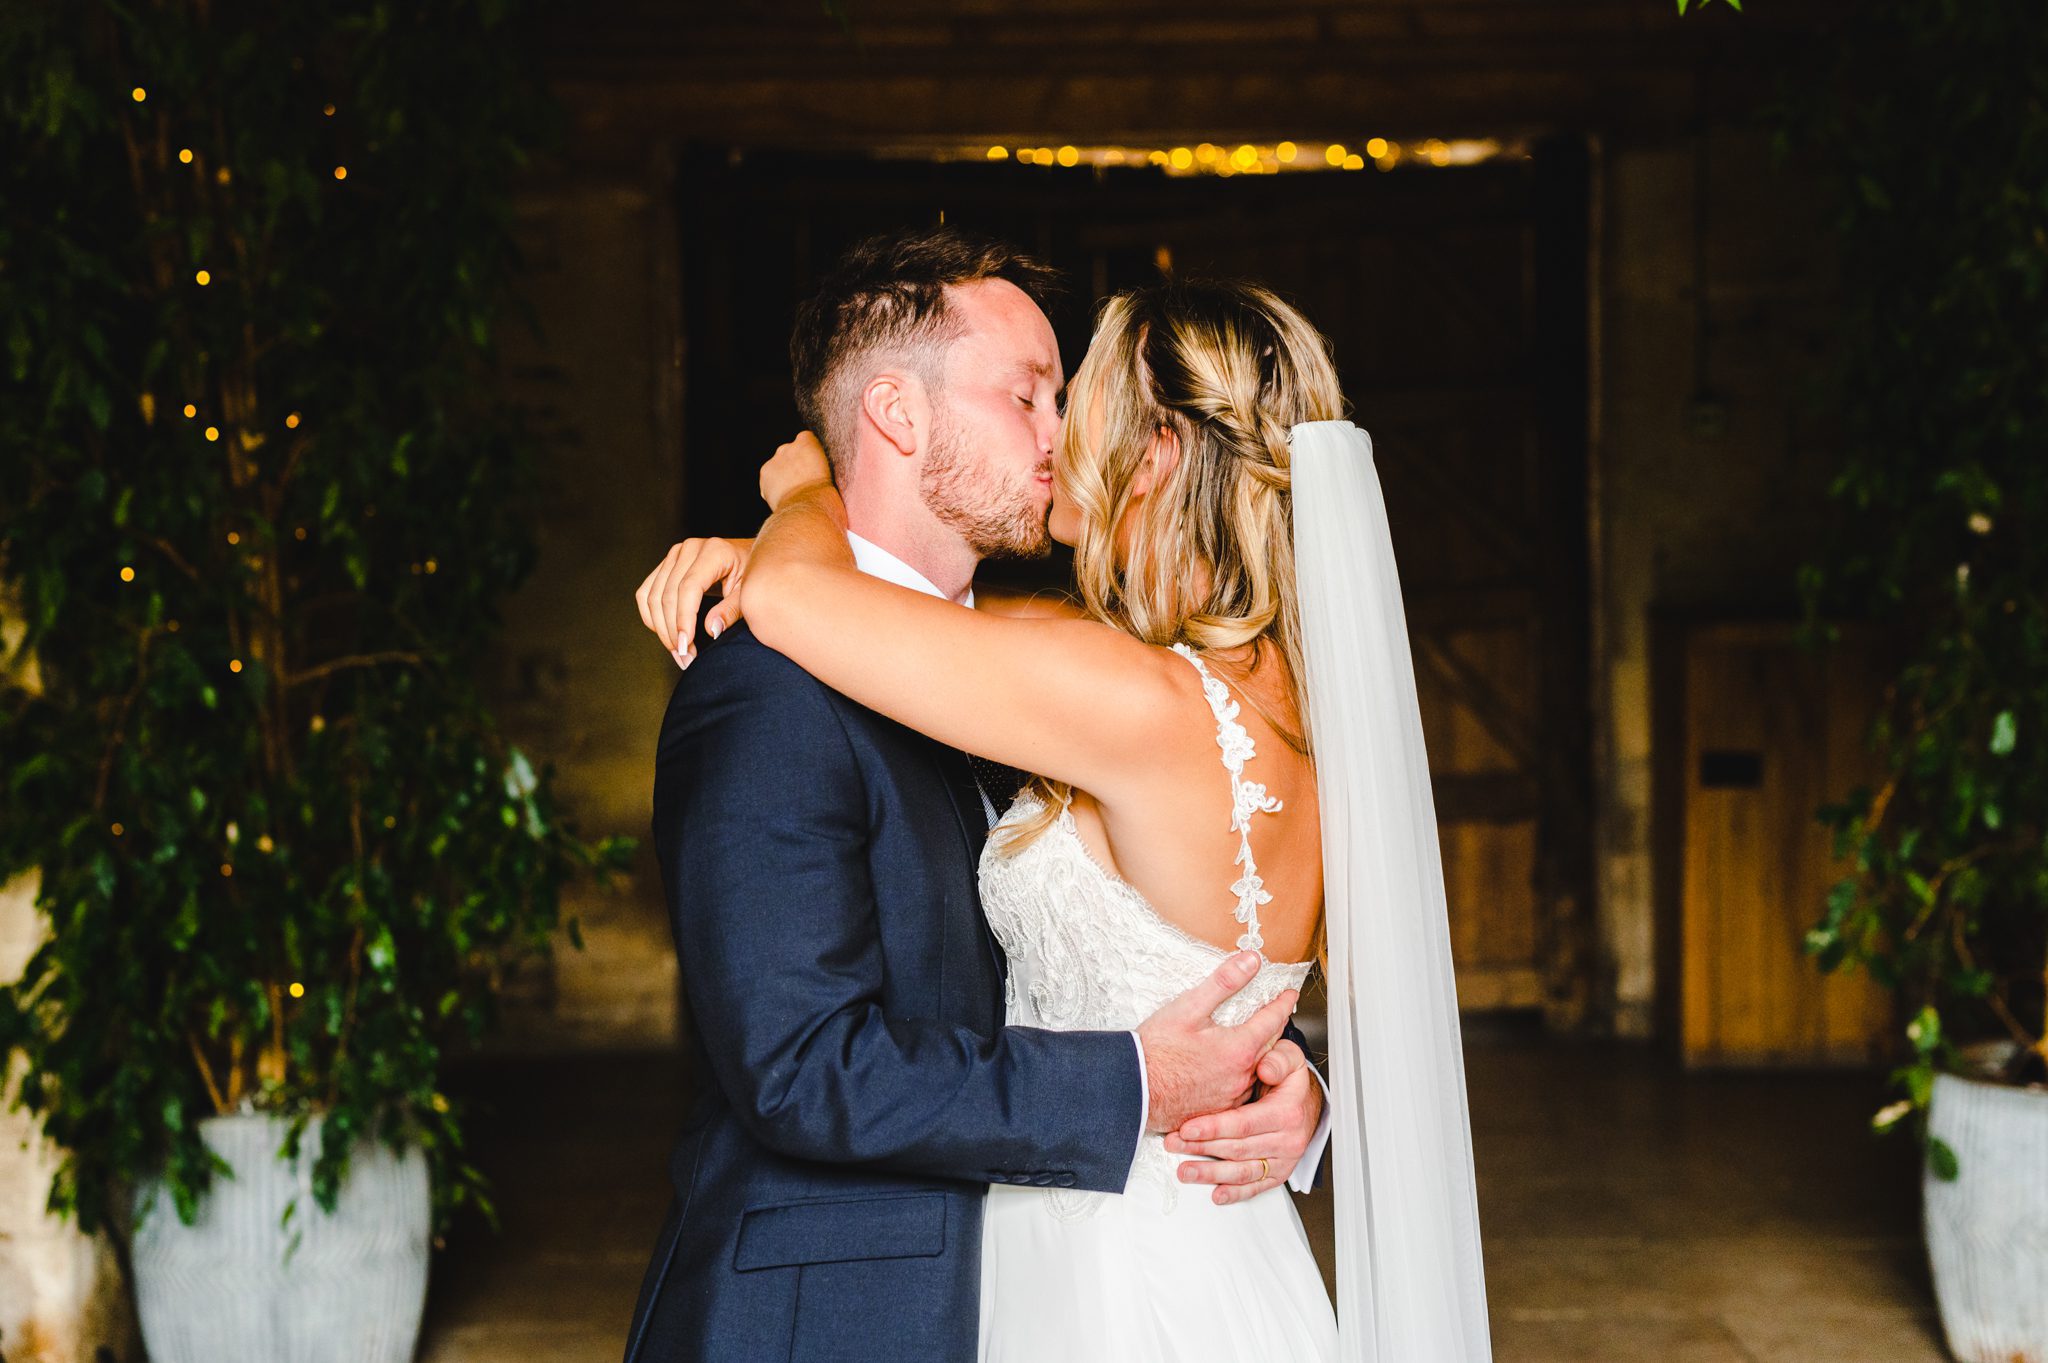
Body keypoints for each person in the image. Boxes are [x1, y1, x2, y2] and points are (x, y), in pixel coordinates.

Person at [640, 264, 1496, 1360]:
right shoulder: (1262, 687)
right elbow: (801, 1059)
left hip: (1105, 1274)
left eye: (1071, 403)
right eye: (1030, 396)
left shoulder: (1107, 690)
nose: (1054, 437)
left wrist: (798, 501)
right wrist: (1286, 1081)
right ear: (896, 412)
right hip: (1201, 1265)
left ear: (1157, 456)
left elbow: (818, 600)